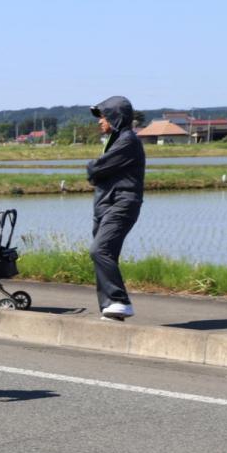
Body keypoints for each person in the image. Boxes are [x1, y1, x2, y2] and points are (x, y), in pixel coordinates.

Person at [87, 96, 144, 320]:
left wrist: (92, 167)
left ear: (115, 116)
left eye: (103, 116)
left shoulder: (128, 141)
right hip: (106, 204)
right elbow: (100, 173)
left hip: (122, 203)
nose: (100, 121)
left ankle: (119, 301)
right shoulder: (117, 139)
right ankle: (110, 308)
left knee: (99, 250)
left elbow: (96, 170)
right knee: (105, 254)